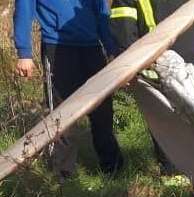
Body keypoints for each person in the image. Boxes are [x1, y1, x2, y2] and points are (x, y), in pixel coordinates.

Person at [12, 0, 124, 175]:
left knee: (103, 110)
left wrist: (111, 48)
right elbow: (23, 11)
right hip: (58, 47)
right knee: (62, 113)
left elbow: (102, 13)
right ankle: (63, 174)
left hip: (93, 47)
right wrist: (24, 53)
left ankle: (113, 168)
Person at [110, 0, 194, 174]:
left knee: (166, 123)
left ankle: (173, 171)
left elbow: (124, 31)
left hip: (161, 66)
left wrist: (131, 66)